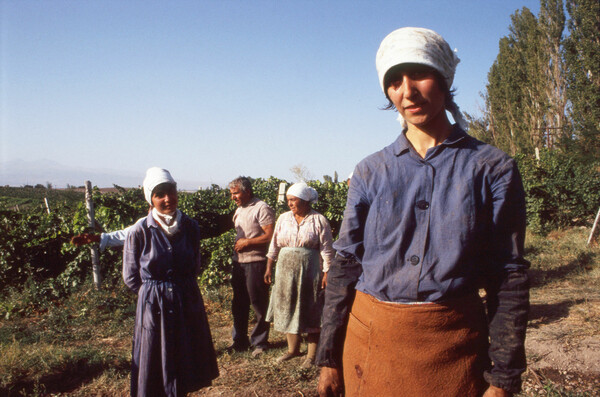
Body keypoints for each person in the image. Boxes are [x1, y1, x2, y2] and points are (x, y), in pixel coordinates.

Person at [316, 27, 530, 397]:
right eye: (394, 81)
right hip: (372, 343)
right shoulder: (370, 171)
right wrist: (328, 357)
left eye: (419, 74)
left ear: (445, 80)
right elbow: (346, 263)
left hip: (455, 348)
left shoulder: (492, 168)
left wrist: (503, 377)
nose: (407, 91)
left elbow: (507, 275)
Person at [123, 167, 219, 397]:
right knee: (156, 356)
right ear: (151, 199)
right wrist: (153, 293)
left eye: (171, 191)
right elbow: (130, 276)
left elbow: (194, 265)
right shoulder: (140, 230)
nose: (168, 199)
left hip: (186, 298)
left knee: (185, 354)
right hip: (153, 303)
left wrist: (179, 288)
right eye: (160, 194)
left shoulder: (190, 227)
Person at [264, 182, 335, 368]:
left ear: (304, 201)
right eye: (288, 200)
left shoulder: (319, 220)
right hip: (285, 270)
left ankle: (311, 355)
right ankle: (292, 350)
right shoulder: (283, 218)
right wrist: (269, 267)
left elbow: (327, 250)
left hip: (310, 271)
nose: (290, 204)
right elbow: (274, 245)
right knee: (287, 305)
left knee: (310, 308)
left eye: (293, 200)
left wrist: (327, 273)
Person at [228, 176, 275, 357]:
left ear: (247, 191)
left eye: (236, 193)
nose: (233, 197)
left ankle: (260, 342)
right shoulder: (240, 209)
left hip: (255, 262)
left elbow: (270, 235)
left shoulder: (261, 208)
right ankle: (239, 341)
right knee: (238, 304)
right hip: (239, 263)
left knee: (258, 303)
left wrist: (247, 243)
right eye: (231, 194)